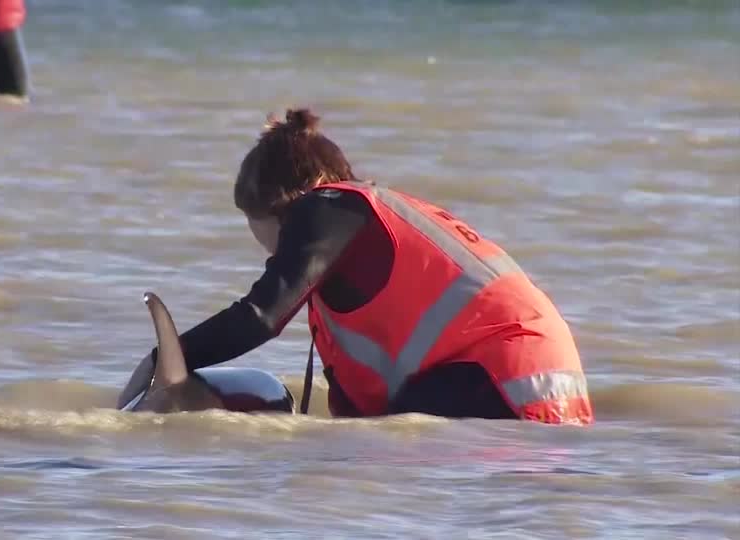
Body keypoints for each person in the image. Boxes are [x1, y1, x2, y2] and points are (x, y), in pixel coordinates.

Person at [118, 108, 594, 425]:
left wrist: (164, 359)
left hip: (505, 382)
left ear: (276, 210)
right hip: (545, 394)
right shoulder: (359, 249)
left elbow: (259, 317)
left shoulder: (325, 207)